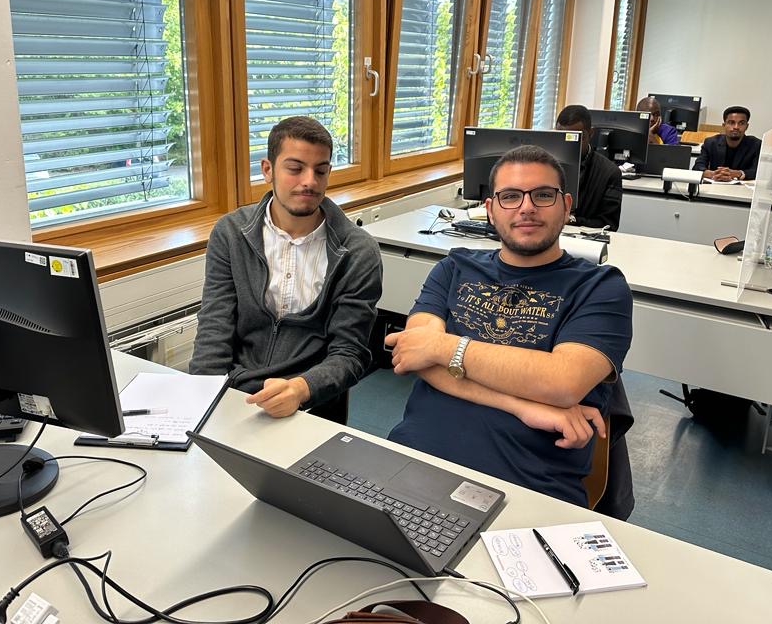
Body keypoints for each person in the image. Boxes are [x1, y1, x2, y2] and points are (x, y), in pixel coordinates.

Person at [385, 145, 633, 507]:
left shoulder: (600, 287)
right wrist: (523, 406)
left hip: (527, 487)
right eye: (511, 196)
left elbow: (562, 382)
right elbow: (414, 356)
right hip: (411, 461)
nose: (526, 207)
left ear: (566, 206)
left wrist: (443, 347)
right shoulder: (454, 267)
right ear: (490, 210)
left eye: (543, 195)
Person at [188, 116, 382, 420]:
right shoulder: (231, 233)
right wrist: (202, 404)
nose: (310, 181)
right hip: (235, 394)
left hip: (311, 403)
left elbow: (350, 353)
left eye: (320, 171)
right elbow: (214, 327)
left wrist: (301, 389)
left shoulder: (358, 252)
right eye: (295, 169)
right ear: (268, 170)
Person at [554, 104, 623, 229]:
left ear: (591, 133)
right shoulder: (545, 167)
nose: (569, 145)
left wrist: (573, 220)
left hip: (580, 236)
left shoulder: (609, 173)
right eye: (562, 137)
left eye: (576, 138)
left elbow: (609, 224)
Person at [693, 106, 761, 181]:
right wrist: (714, 174)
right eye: (731, 122)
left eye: (741, 123)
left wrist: (738, 173)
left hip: (741, 187)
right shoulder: (710, 143)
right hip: (715, 184)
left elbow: (758, 172)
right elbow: (698, 167)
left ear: (747, 126)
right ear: (724, 125)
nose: (736, 127)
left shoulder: (755, 145)